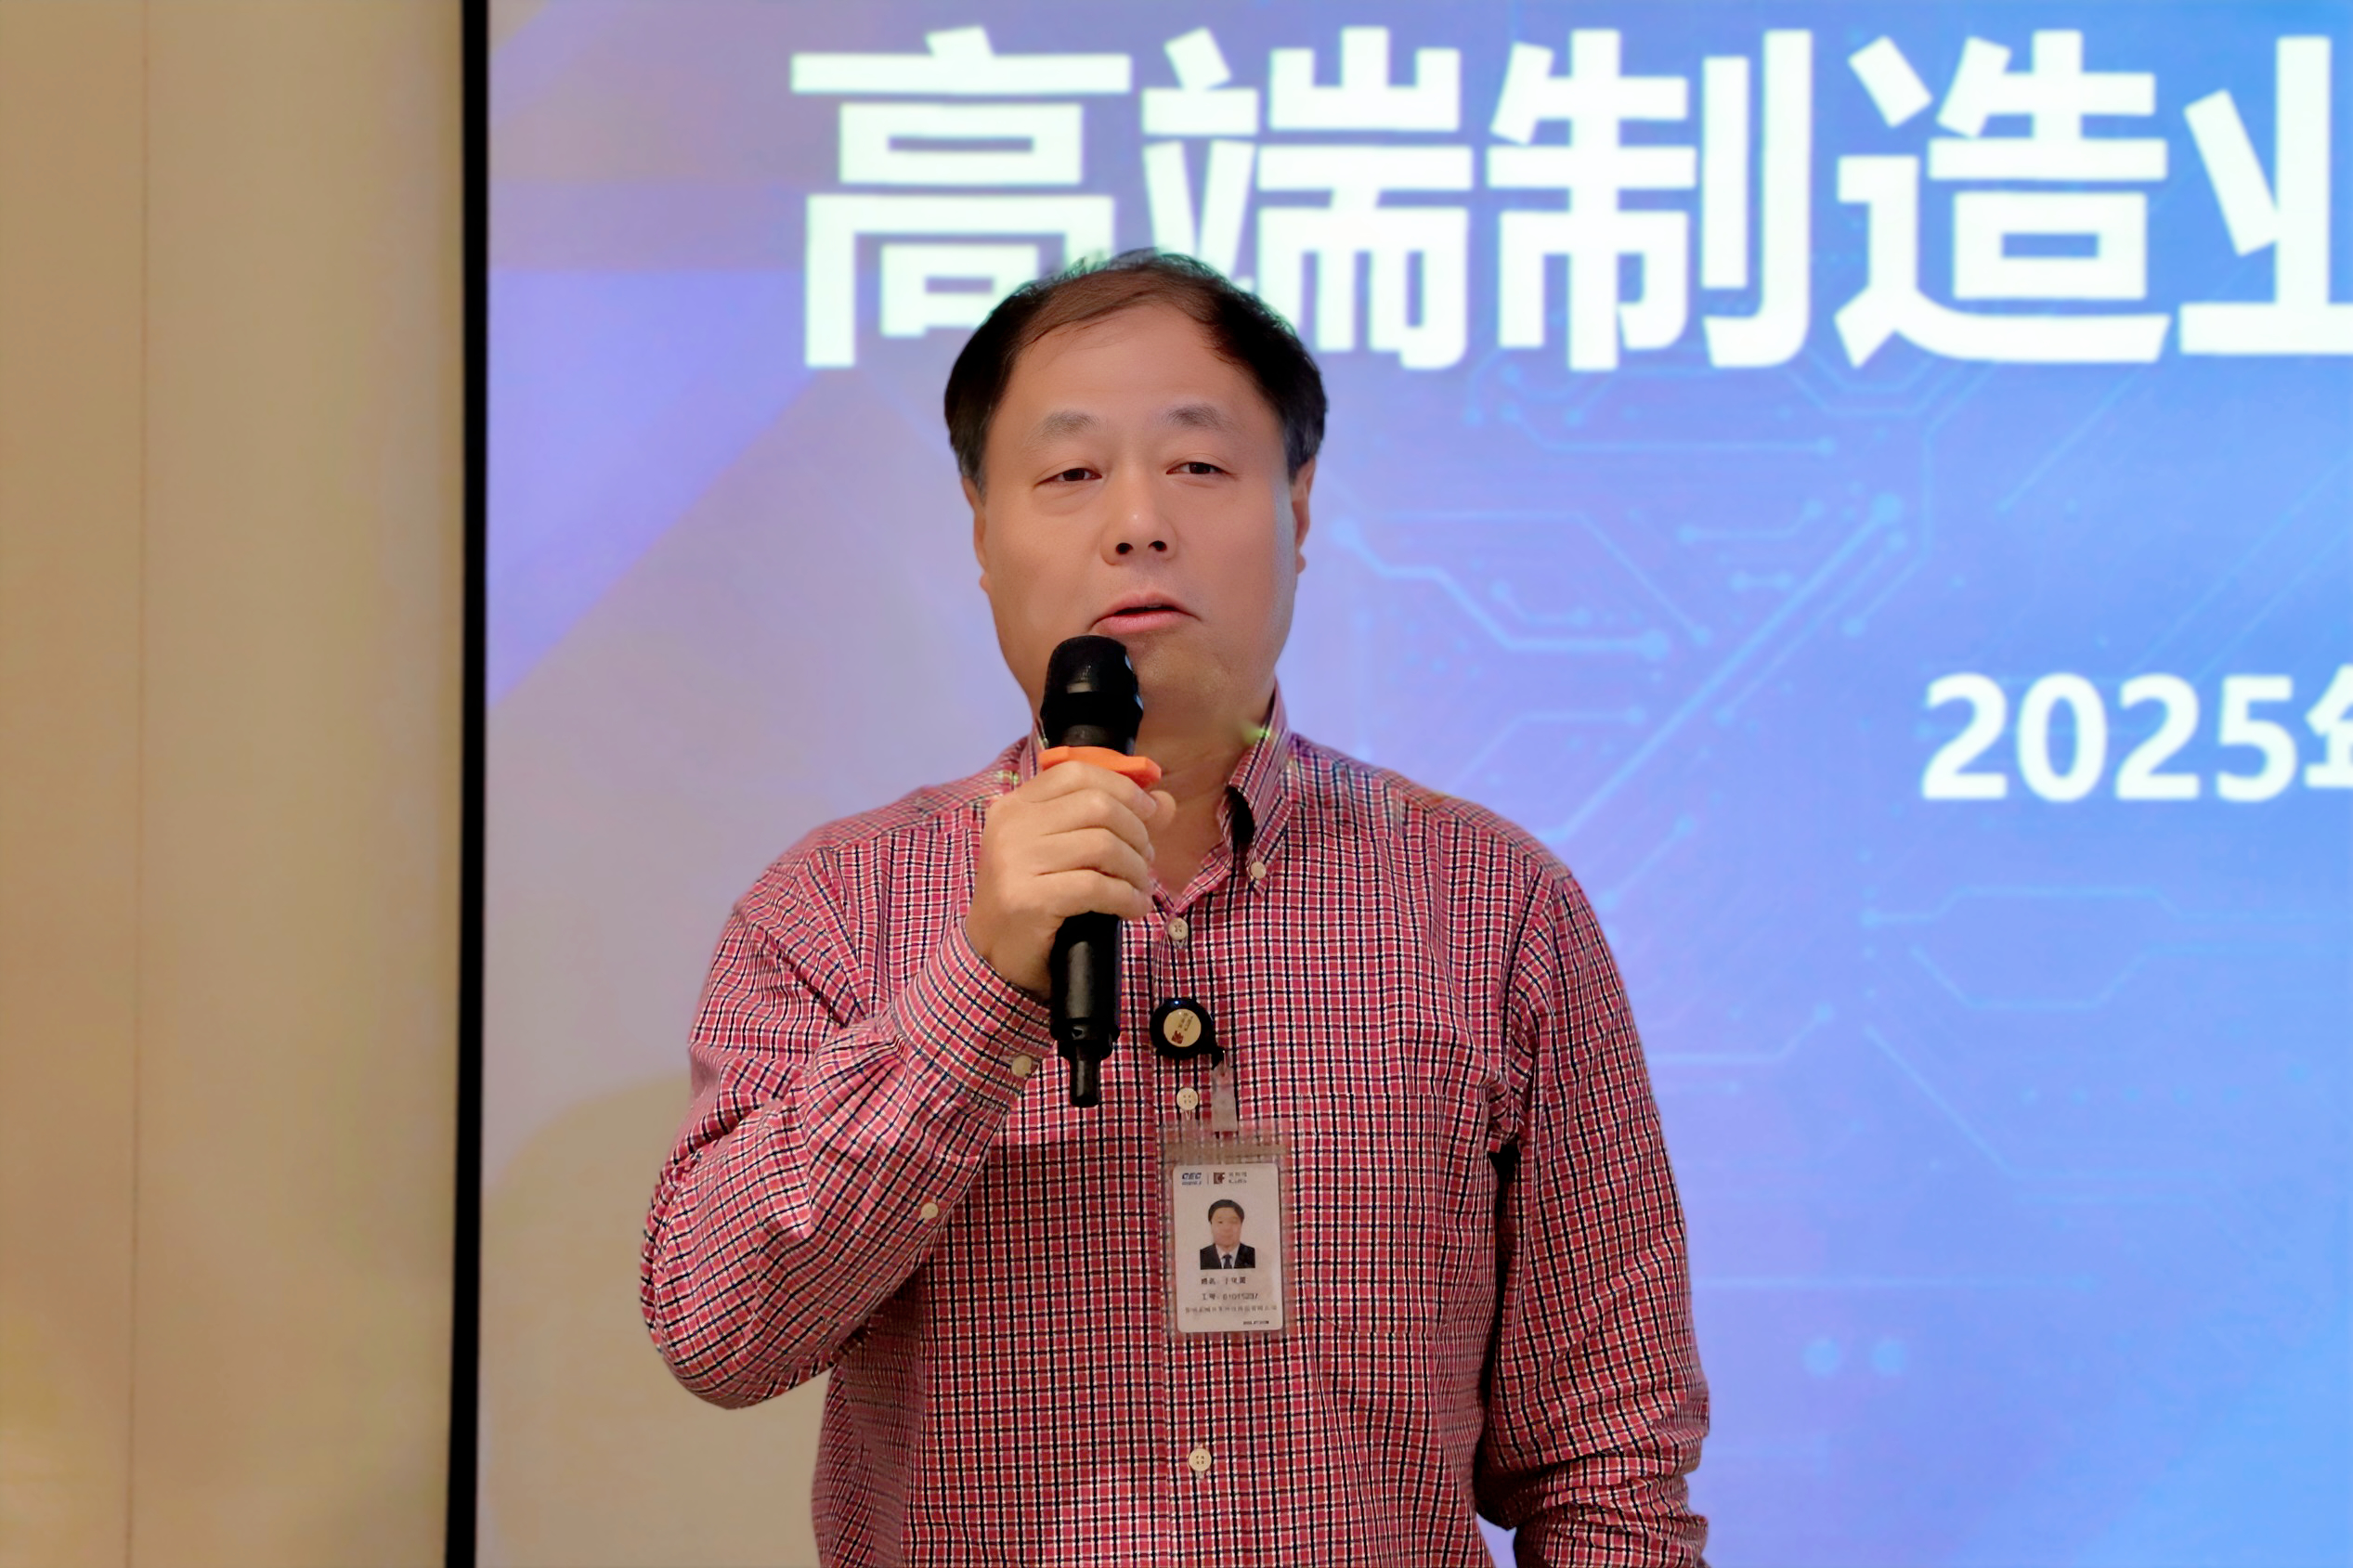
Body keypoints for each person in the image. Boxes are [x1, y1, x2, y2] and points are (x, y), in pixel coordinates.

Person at [642, 251, 1708, 1567]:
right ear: (980, 532)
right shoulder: (832, 906)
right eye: (1070, 474)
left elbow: (1609, 1463)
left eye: (1198, 466)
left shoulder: (1494, 905)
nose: (1138, 523)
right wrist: (980, 985)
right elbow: (719, 1331)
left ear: (1297, 511)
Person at [1199, 1199, 1255, 1270]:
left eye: (1233, 1222)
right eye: (1220, 1222)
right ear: (1211, 1225)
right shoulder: (1201, 1257)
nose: (1226, 1228)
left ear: (1241, 1225)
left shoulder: (1253, 1255)